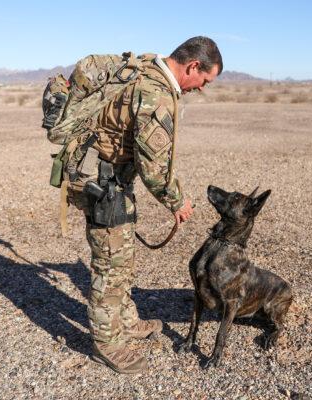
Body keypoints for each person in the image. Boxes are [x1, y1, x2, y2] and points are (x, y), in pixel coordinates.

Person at [80, 36, 223, 374]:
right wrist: (177, 202)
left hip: (112, 181)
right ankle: (107, 344)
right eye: (204, 80)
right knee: (110, 269)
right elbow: (155, 168)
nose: (202, 88)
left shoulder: (147, 70)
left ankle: (126, 323)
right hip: (105, 184)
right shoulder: (156, 92)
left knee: (123, 259)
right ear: (192, 67)